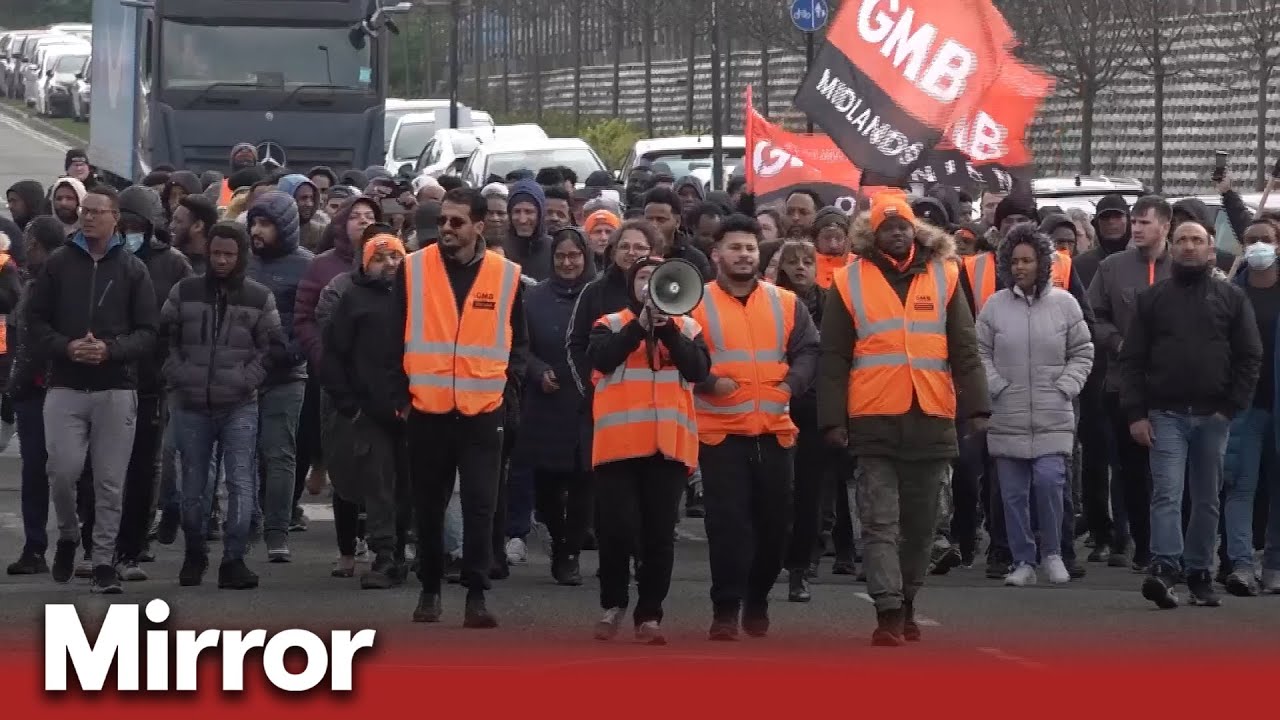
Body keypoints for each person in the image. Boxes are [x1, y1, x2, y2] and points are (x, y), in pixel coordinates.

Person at [818, 190, 989, 646]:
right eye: (887, 226)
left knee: (921, 525)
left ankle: (909, 598)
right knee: (879, 521)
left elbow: (965, 349)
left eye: (903, 225)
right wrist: (832, 420)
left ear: (915, 230)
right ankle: (888, 608)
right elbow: (833, 357)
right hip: (872, 421)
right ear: (872, 235)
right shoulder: (848, 282)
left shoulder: (946, 276)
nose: (896, 232)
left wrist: (976, 408)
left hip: (931, 417)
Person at [394, 186, 529, 627]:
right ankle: (429, 590)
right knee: (429, 507)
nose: (446, 229)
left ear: (478, 224)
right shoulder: (412, 269)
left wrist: (507, 395)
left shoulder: (506, 275)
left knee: (480, 506)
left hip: (482, 410)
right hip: (427, 410)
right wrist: (402, 399)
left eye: (456, 222)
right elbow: (392, 336)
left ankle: (476, 595)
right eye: (441, 222)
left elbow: (519, 344)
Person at [691, 214, 820, 641]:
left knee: (775, 525)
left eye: (749, 248)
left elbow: (808, 351)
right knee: (728, 525)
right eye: (734, 248)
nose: (743, 255)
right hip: (720, 432)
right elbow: (681, 355)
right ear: (716, 255)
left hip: (775, 431)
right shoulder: (696, 302)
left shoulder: (785, 302)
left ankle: (758, 597)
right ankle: (725, 608)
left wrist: (790, 385)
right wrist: (708, 381)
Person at [1121, 218, 1261, 609]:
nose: (1188, 247)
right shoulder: (1152, 299)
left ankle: (1200, 571)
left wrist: (1231, 407)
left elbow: (1250, 356)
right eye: (1181, 240)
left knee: (1207, 499)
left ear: (1210, 249)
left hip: (1214, 415)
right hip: (1165, 413)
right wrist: (1135, 413)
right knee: (1166, 492)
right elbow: (1131, 359)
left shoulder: (1231, 298)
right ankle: (1166, 568)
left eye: (1196, 240)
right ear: (1171, 245)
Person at [27, 186, 158, 594]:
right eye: (85, 211)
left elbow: (149, 332)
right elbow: (34, 322)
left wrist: (110, 350)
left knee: (109, 481)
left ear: (115, 218)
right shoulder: (59, 263)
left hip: (115, 387)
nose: (88, 217)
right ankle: (68, 535)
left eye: (97, 212)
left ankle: (103, 560)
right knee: (62, 472)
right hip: (65, 384)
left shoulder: (133, 270)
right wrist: (66, 346)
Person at [588, 255, 711, 644]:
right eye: (642, 277)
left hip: (668, 448)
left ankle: (650, 614)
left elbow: (698, 371)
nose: (649, 285)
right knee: (618, 530)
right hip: (617, 448)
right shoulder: (609, 324)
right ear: (631, 286)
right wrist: (638, 329)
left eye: (654, 278)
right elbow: (601, 360)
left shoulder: (689, 327)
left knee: (659, 534)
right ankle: (613, 603)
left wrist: (669, 331)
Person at [162, 222, 279, 589]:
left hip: (239, 403)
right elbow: (164, 338)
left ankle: (234, 558)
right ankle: (194, 552)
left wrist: (247, 379)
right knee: (193, 485)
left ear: (241, 255)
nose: (222, 261)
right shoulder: (184, 291)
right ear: (208, 252)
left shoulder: (259, 297)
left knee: (240, 481)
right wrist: (179, 374)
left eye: (230, 254)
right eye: (216, 253)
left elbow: (272, 347)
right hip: (190, 400)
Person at [975, 225, 1094, 587]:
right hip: (1007, 412)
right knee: (1011, 494)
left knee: (1049, 483)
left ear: (1043, 262)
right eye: (1014, 261)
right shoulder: (994, 306)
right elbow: (979, 352)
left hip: (1052, 411)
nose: (1021, 267)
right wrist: (996, 386)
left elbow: (1083, 351)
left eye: (1028, 260)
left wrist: (1066, 388)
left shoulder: (1066, 304)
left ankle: (1054, 553)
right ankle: (1022, 560)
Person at [1088, 195, 1174, 572]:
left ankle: (1171, 546)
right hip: (1124, 386)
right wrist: (1119, 343)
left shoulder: (1186, 266)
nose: (1136, 228)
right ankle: (1141, 543)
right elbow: (1093, 316)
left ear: (1165, 226)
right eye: (1134, 222)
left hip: (1175, 388)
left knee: (1171, 472)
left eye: (1144, 222)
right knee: (1131, 470)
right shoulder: (1112, 267)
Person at [320, 232, 410, 590]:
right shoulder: (352, 299)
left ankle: (405, 552)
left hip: (414, 409)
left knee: (410, 486)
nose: (389, 263)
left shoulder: (418, 298)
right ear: (364, 262)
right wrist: (349, 406)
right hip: (370, 412)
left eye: (396, 256)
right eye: (380, 257)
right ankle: (384, 555)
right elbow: (333, 356)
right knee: (378, 486)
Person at [114, 185, 194, 581]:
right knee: (101, 468)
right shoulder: (102, 259)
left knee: (144, 466)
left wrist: (172, 367)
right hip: (106, 376)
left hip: (151, 380)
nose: (128, 231)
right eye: (122, 223)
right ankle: (103, 541)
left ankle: (133, 542)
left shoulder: (174, 265)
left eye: (135, 225)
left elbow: (185, 322)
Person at [518, 228, 597, 585]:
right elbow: (518, 347)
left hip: (589, 401)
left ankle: (569, 553)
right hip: (546, 401)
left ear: (585, 258)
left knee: (584, 482)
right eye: (561, 257)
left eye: (574, 256)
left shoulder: (597, 296)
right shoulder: (533, 298)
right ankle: (557, 533)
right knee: (548, 483)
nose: (568, 263)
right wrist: (537, 372)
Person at [246, 191, 316, 562]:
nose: (257, 230)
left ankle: (277, 530)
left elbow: (310, 320)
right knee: (246, 453)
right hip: (242, 375)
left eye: (266, 223)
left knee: (279, 452)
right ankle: (248, 521)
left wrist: (290, 351)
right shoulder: (242, 262)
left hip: (287, 376)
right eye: (254, 222)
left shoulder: (307, 266)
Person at [4, 217, 66, 575]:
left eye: (29, 239)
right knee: (34, 471)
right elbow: (14, 336)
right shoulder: (24, 279)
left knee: (65, 470)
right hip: (29, 388)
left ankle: (74, 542)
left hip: (59, 387)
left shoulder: (64, 283)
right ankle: (35, 545)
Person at [1222, 219, 1280, 595]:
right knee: (1240, 488)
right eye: (1252, 240)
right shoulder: (1230, 295)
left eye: (1266, 239)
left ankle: (1274, 565)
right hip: (1243, 407)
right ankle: (1242, 565)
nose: (1259, 245)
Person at [642, 187, 712, 281]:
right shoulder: (634, 253)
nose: (653, 225)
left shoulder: (694, 259)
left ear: (677, 222)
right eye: (649, 219)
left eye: (661, 220)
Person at [503, 180, 553, 282]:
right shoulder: (499, 250)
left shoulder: (555, 249)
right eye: (517, 211)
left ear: (540, 214)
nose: (522, 220)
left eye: (529, 212)